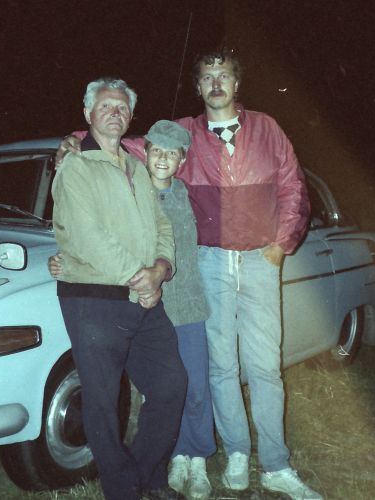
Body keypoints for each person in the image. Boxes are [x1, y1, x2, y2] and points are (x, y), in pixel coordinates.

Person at [57, 49, 321, 500]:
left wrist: (282, 245)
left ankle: (276, 464)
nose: (216, 83)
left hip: (259, 260)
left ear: (237, 83)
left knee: (265, 366)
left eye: (224, 75)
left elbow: (293, 185)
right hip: (210, 261)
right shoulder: (186, 133)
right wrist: (74, 138)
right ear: (198, 87)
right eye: (207, 77)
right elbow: (130, 144)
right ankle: (236, 453)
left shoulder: (268, 128)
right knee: (220, 368)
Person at [51, 120, 216, 500]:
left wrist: (160, 269)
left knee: (175, 385)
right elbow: (84, 227)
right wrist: (72, 139)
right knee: (107, 397)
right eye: (157, 150)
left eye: (172, 153)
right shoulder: (99, 169)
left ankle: (153, 472)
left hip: (161, 299)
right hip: (110, 296)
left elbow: (164, 229)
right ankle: (127, 487)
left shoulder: (148, 174)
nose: (163, 157)